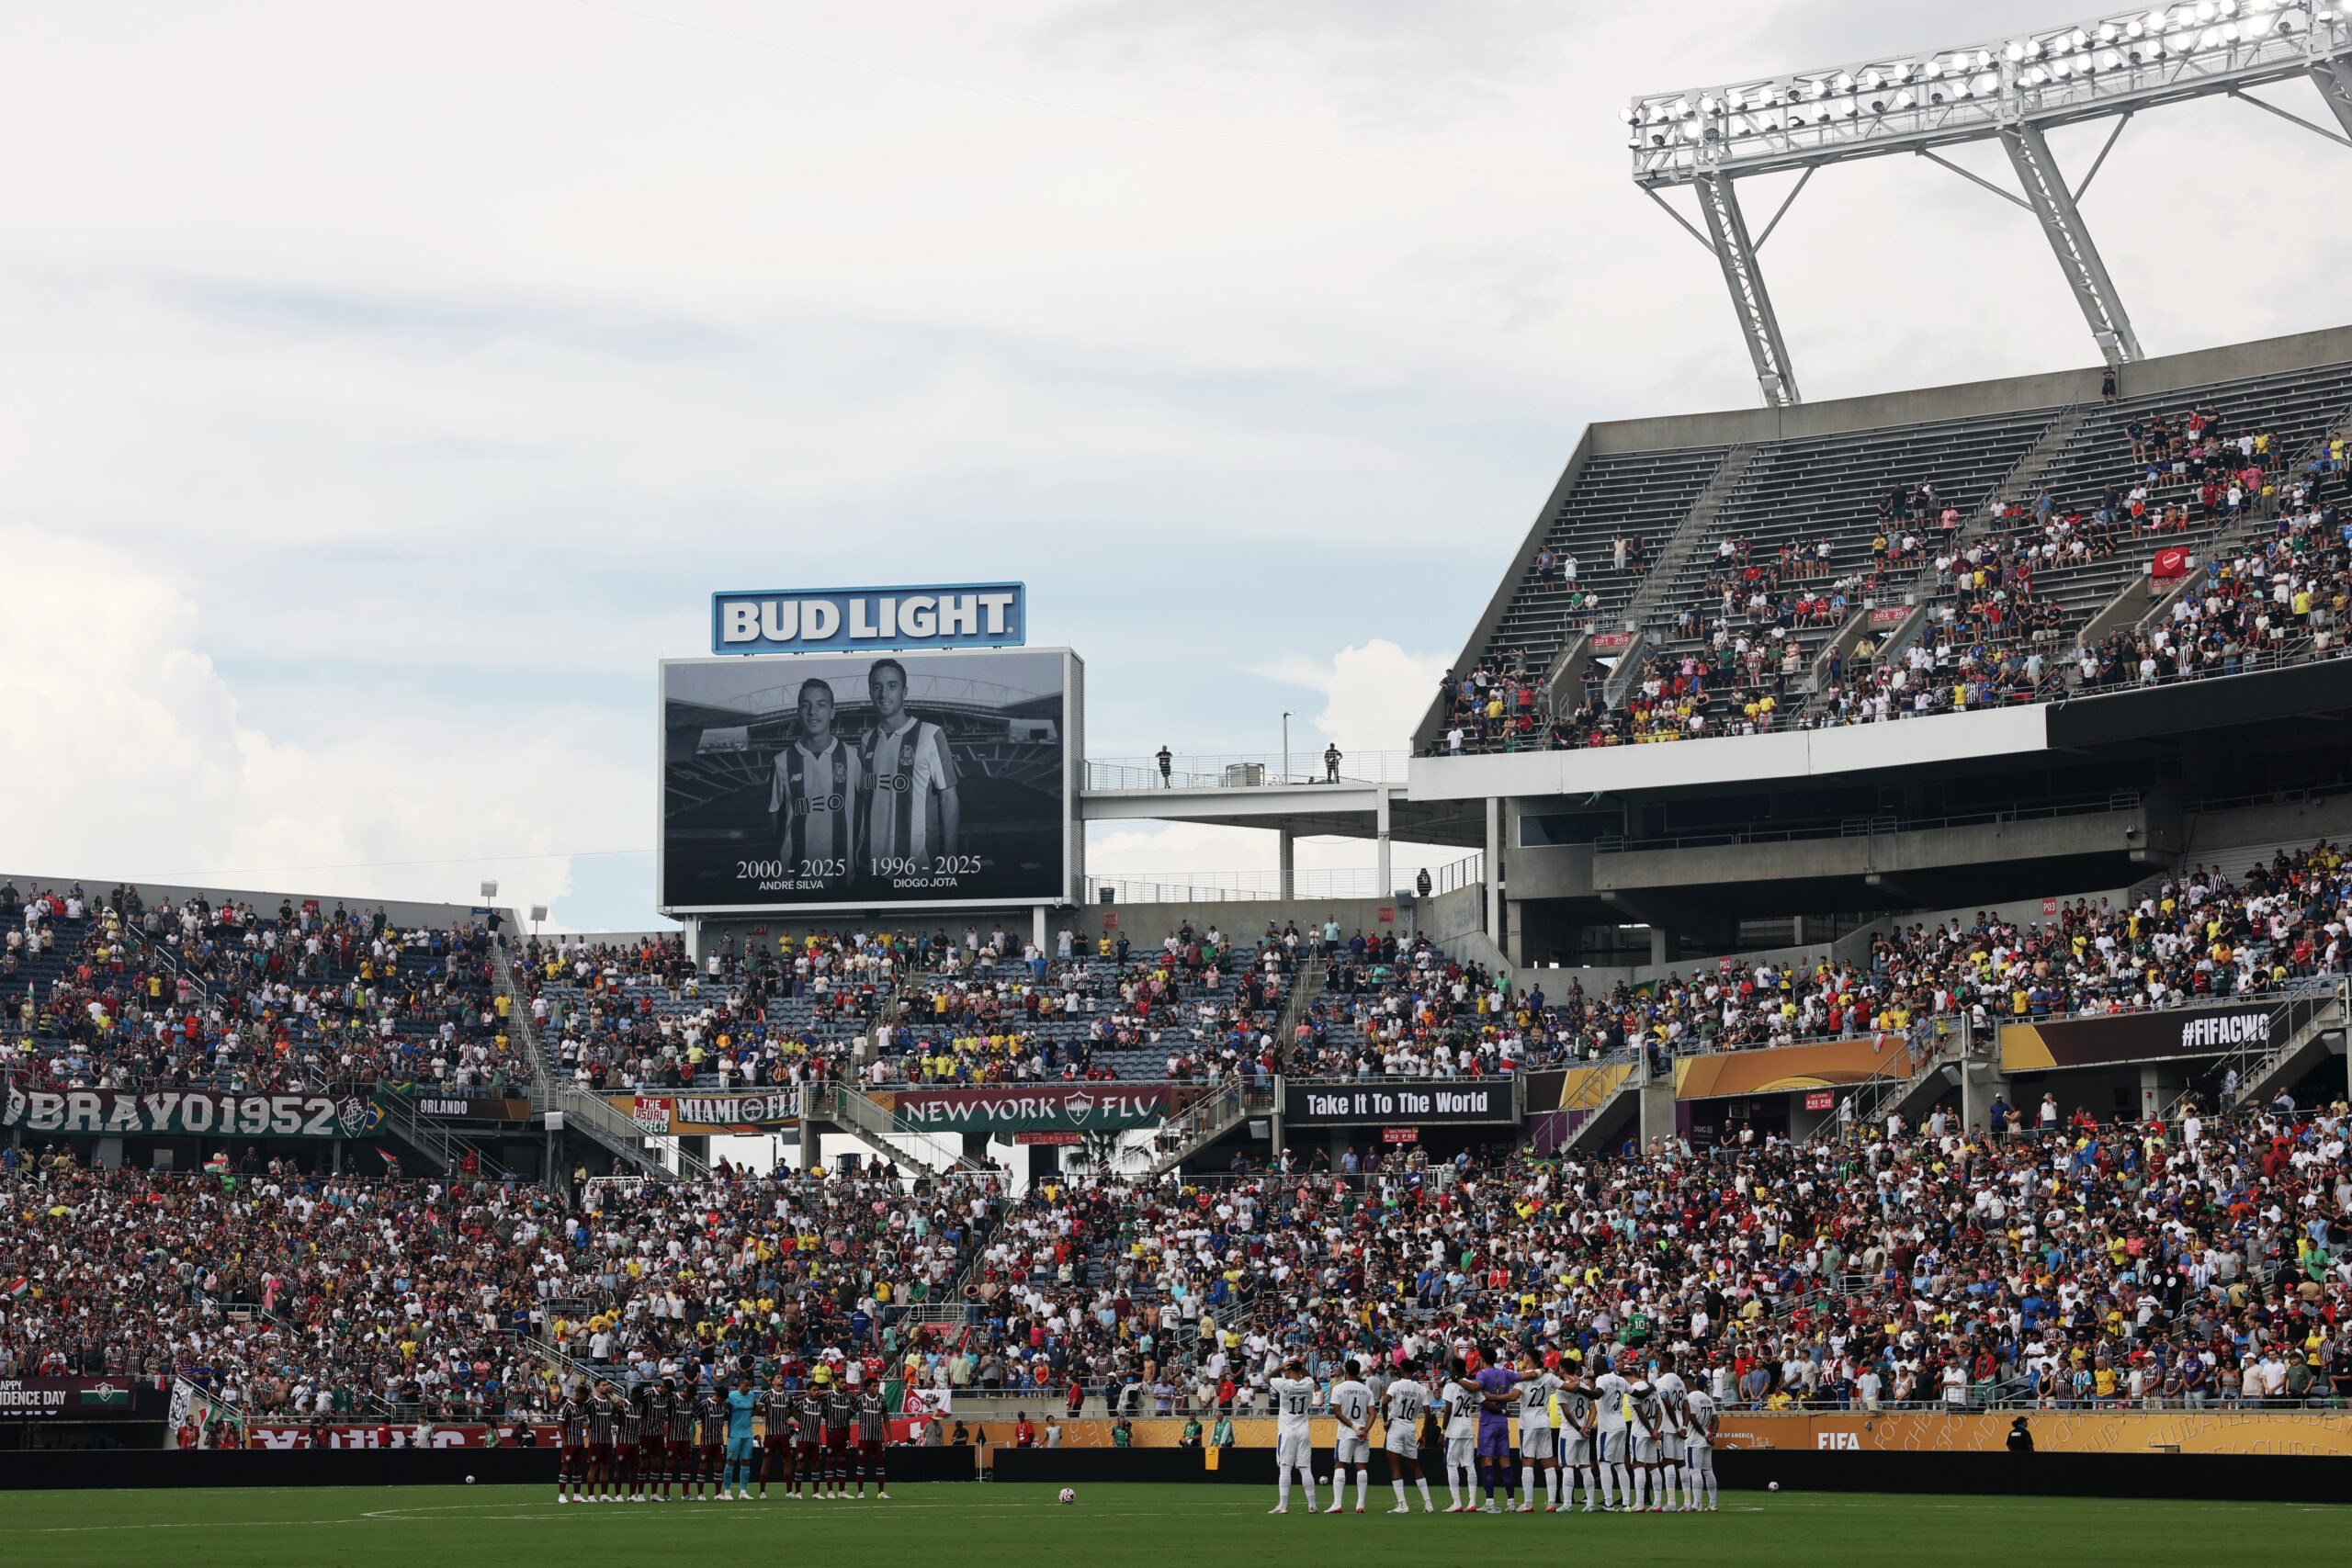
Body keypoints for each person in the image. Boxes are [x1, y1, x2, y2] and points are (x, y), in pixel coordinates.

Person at [861, 657, 961, 879]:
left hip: (917, 868)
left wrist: (950, 856)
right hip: (870, 867)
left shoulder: (930, 734)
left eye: (892, 686)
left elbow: (948, 798)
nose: (883, 694)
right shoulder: (867, 740)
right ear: (870, 694)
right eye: (877, 687)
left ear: (905, 692)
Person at [769, 677, 863, 890]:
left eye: (821, 705)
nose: (813, 712)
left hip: (841, 875)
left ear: (832, 712)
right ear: (798, 712)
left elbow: (873, 806)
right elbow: (774, 816)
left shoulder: (852, 757)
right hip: (791, 876)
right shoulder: (782, 761)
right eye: (806, 705)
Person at [1473, 1345, 1525, 1513]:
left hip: (1488, 1422)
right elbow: (1521, 1376)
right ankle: (1511, 1503)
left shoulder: (1481, 1374)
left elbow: (1477, 1387)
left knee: (1486, 1461)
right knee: (1506, 1462)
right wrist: (1539, 1372)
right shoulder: (1505, 1373)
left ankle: (1490, 1503)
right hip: (1503, 1422)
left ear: (1481, 1359)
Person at [1380, 1359, 1435, 1514]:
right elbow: (1428, 1414)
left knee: (1395, 1467)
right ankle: (1428, 1504)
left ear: (1402, 1369)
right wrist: (1423, 1435)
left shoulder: (1396, 1385)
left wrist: (1385, 1422)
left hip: (1396, 1425)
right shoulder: (1421, 1389)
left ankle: (1403, 1505)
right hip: (1411, 1426)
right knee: (1415, 1467)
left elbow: (1385, 1403)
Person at [1267, 1353, 1318, 1515]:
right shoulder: (1308, 1383)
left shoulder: (1284, 1384)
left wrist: (1282, 1367)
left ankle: (1283, 1505)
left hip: (1287, 1430)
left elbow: (1267, 1377)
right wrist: (1300, 1366)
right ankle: (1312, 1505)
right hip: (1303, 1430)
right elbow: (1310, 1377)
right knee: (1305, 1468)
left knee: (1285, 1467)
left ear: (1288, 1370)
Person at [1514, 1348, 1563, 1513]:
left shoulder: (1523, 1378)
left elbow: (1513, 1396)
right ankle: (1551, 1503)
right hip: (1544, 1422)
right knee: (1548, 1463)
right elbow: (1565, 1386)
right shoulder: (1549, 1377)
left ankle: (1528, 1503)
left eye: (1523, 1357)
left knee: (1528, 1461)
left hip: (1528, 1424)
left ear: (1527, 1360)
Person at [1327, 1358, 1374, 1514]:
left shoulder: (1339, 1389)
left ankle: (1337, 1503)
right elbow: (1373, 1413)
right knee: (1361, 1467)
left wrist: (1354, 1428)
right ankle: (1360, 1505)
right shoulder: (1366, 1389)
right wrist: (1365, 1430)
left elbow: (1337, 1413)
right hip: (1362, 1434)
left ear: (1346, 1371)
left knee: (1340, 1464)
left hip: (1346, 1433)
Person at [756, 1373, 796, 1500]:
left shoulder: (787, 1396)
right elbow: (757, 1410)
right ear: (772, 1382)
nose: (781, 1378)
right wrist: (764, 1414)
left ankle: (789, 1491)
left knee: (788, 1460)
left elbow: (792, 1411)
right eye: (778, 1377)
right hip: (771, 1434)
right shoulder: (766, 1395)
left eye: (781, 1377)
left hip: (784, 1433)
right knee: (767, 1461)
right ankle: (762, 1492)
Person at [722, 1376, 760, 1501]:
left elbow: (753, 1412)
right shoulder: (731, 1397)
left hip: (748, 1434)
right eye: (746, 1385)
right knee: (731, 1461)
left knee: (746, 1462)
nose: (748, 1388)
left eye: (750, 1386)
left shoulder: (752, 1397)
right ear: (740, 1384)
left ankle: (743, 1491)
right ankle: (727, 1491)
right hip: (734, 1434)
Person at [1684, 1384, 1720, 1511]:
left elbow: (1692, 1419)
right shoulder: (1707, 1398)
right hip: (1706, 1441)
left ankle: (1697, 1503)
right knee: (1708, 1471)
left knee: (1694, 1471)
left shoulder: (1689, 1398)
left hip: (1694, 1440)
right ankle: (1713, 1503)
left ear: (1686, 1385)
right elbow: (1716, 1420)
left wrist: (1705, 1434)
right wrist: (1712, 1435)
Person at [855, 1382, 891, 1498]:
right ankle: (860, 1492)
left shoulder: (882, 1401)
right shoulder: (860, 1400)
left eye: (877, 1386)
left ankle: (881, 1492)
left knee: (880, 1464)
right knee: (862, 1464)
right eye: (874, 1386)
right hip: (864, 1437)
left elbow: (886, 1418)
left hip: (878, 1438)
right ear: (868, 1388)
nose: (877, 1388)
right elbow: (849, 1413)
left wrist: (889, 1435)